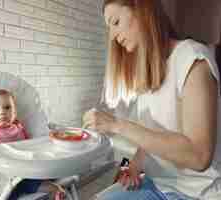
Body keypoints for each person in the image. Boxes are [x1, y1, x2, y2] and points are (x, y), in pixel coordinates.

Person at [82, 0, 221, 199]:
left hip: (196, 193)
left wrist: (117, 125)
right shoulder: (148, 75)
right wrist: (130, 167)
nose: (112, 36)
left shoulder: (191, 57)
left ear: (142, 10)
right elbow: (151, 140)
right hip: (159, 184)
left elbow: (199, 156)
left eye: (116, 22)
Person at [0, 89, 65, 200]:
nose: (2, 112)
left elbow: (30, 145)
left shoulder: (19, 127)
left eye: (7, 107)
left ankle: (51, 188)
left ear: (14, 111)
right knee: (16, 188)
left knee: (52, 169)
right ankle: (53, 189)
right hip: (12, 174)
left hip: (30, 166)